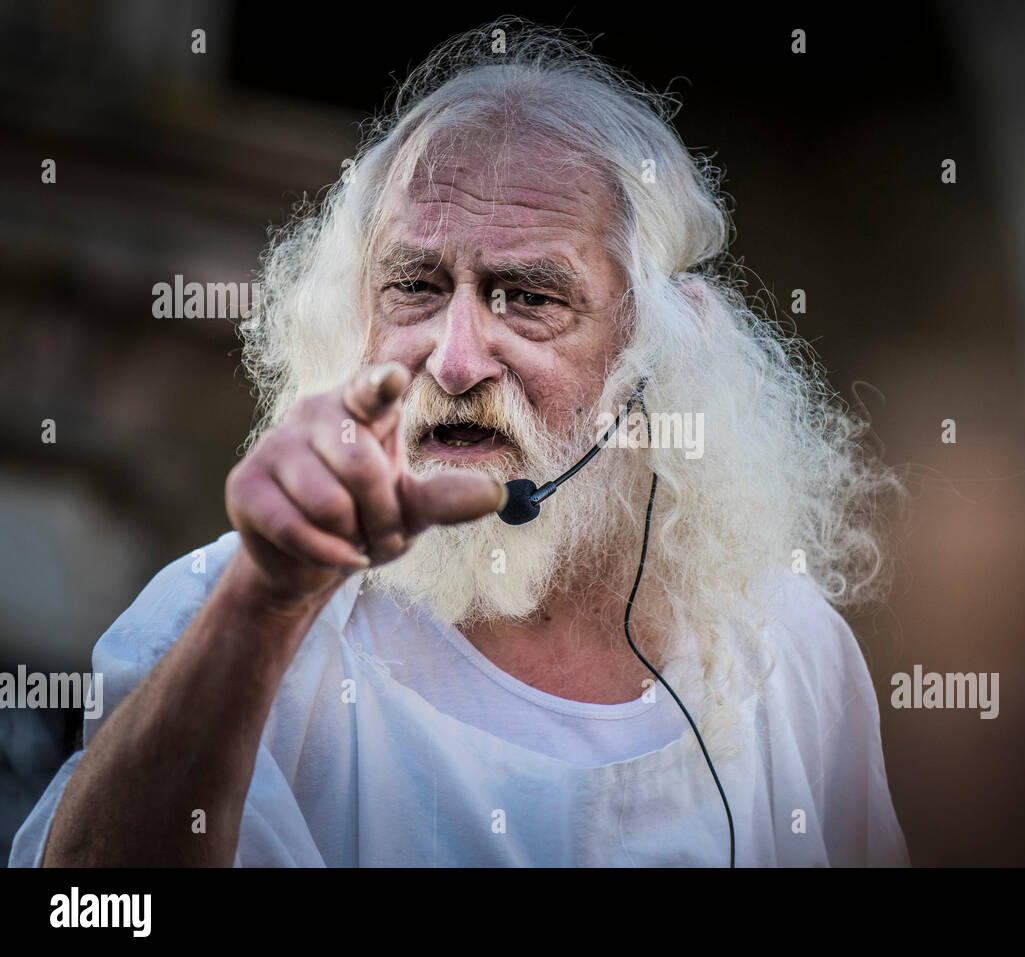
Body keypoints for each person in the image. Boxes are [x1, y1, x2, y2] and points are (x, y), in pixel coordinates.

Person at [10, 20, 908, 867]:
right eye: (417, 284)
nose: (457, 357)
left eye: (528, 295)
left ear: (655, 361)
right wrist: (262, 607)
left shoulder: (785, 651)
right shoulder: (223, 612)